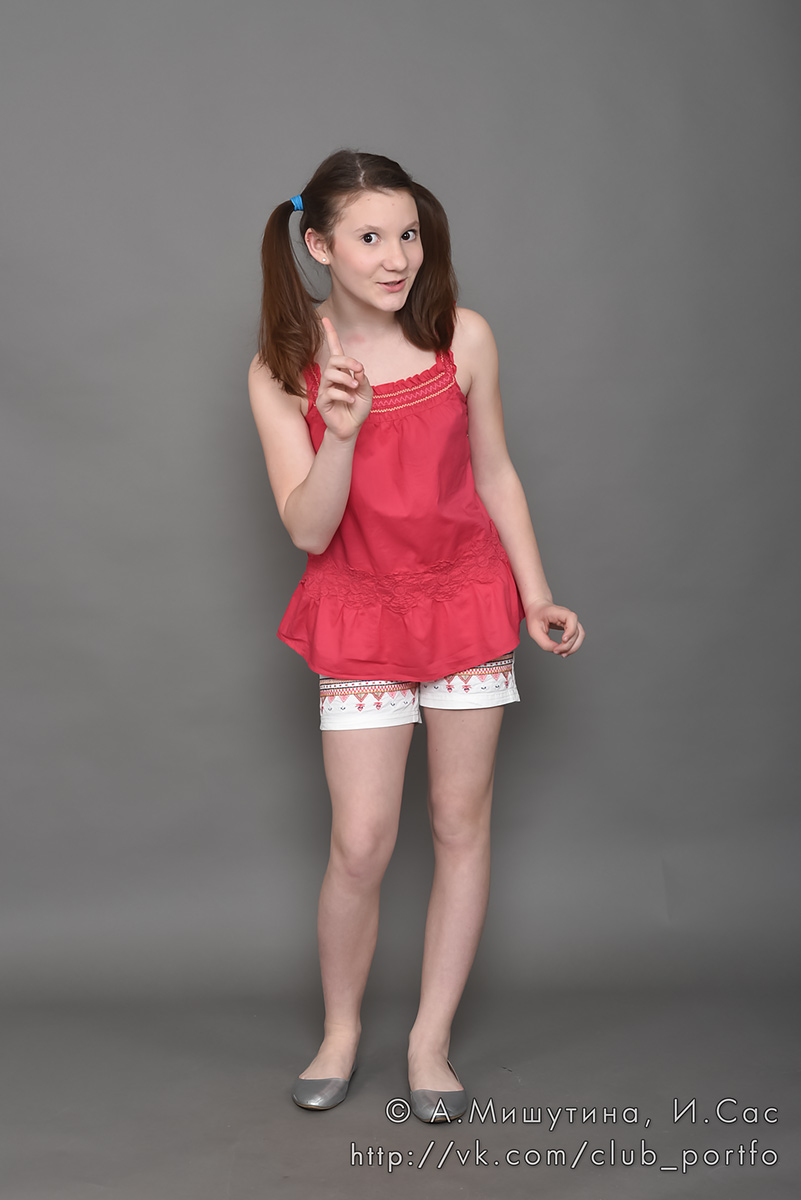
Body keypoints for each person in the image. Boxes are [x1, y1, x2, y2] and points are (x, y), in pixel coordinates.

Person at [247, 149, 585, 1121]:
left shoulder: (460, 337)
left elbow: (495, 474)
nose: (397, 257)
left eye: (408, 234)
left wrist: (535, 594)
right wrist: (343, 429)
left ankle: (429, 1042)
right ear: (319, 246)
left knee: (456, 823)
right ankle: (340, 1031)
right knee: (360, 844)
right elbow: (308, 530)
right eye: (370, 237)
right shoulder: (281, 368)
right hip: (358, 609)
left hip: (466, 602)